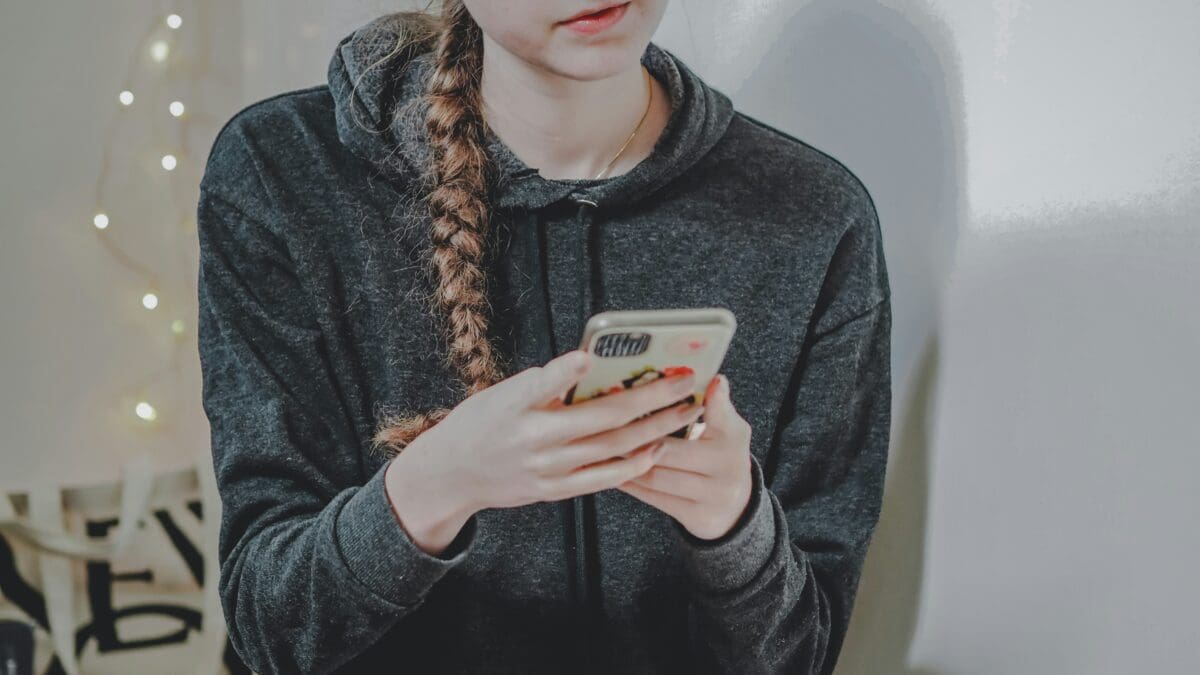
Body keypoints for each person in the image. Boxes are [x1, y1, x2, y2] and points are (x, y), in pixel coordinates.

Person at [196, 1, 892, 673]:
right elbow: (274, 631)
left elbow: (798, 657)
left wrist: (733, 523)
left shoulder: (813, 219)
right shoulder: (283, 174)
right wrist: (440, 484)